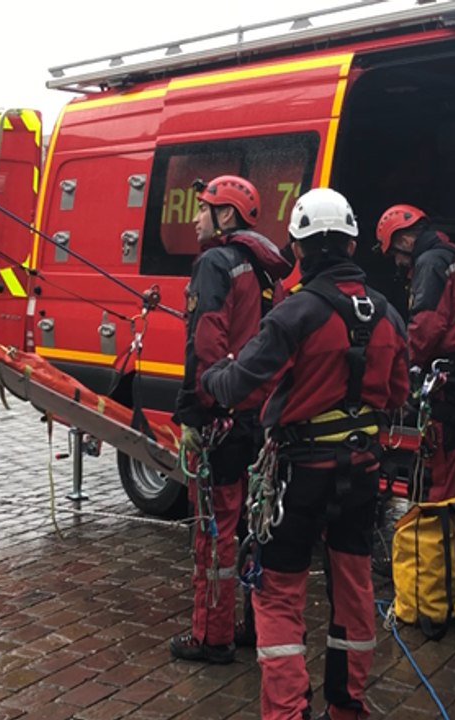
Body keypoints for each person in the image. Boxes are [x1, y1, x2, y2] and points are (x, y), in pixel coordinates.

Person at [202, 188, 409, 720]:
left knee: (277, 594)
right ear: (354, 243)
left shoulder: (296, 312)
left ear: (297, 249)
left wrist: (213, 375)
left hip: (301, 475)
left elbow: (243, 386)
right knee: (355, 588)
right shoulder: (387, 314)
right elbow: (399, 394)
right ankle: (347, 705)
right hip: (362, 474)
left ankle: (287, 711)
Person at [171, 175, 293, 664]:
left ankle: (211, 636)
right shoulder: (269, 275)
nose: (196, 217)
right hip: (260, 423)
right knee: (253, 528)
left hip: (222, 419)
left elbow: (206, 344)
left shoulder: (215, 264)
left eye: (205, 208)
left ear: (226, 216)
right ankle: (250, 624)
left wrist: (193, 415)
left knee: (214, 532)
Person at [375, 204, 455, 502]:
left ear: (404, 240)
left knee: (439, 475)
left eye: (396, 255)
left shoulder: (430, 263)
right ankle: (444, 537)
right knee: (446, 464)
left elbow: (426, 325)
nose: (399, 263)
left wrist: (399, 367)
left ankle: (438, 539)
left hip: (450, 383)